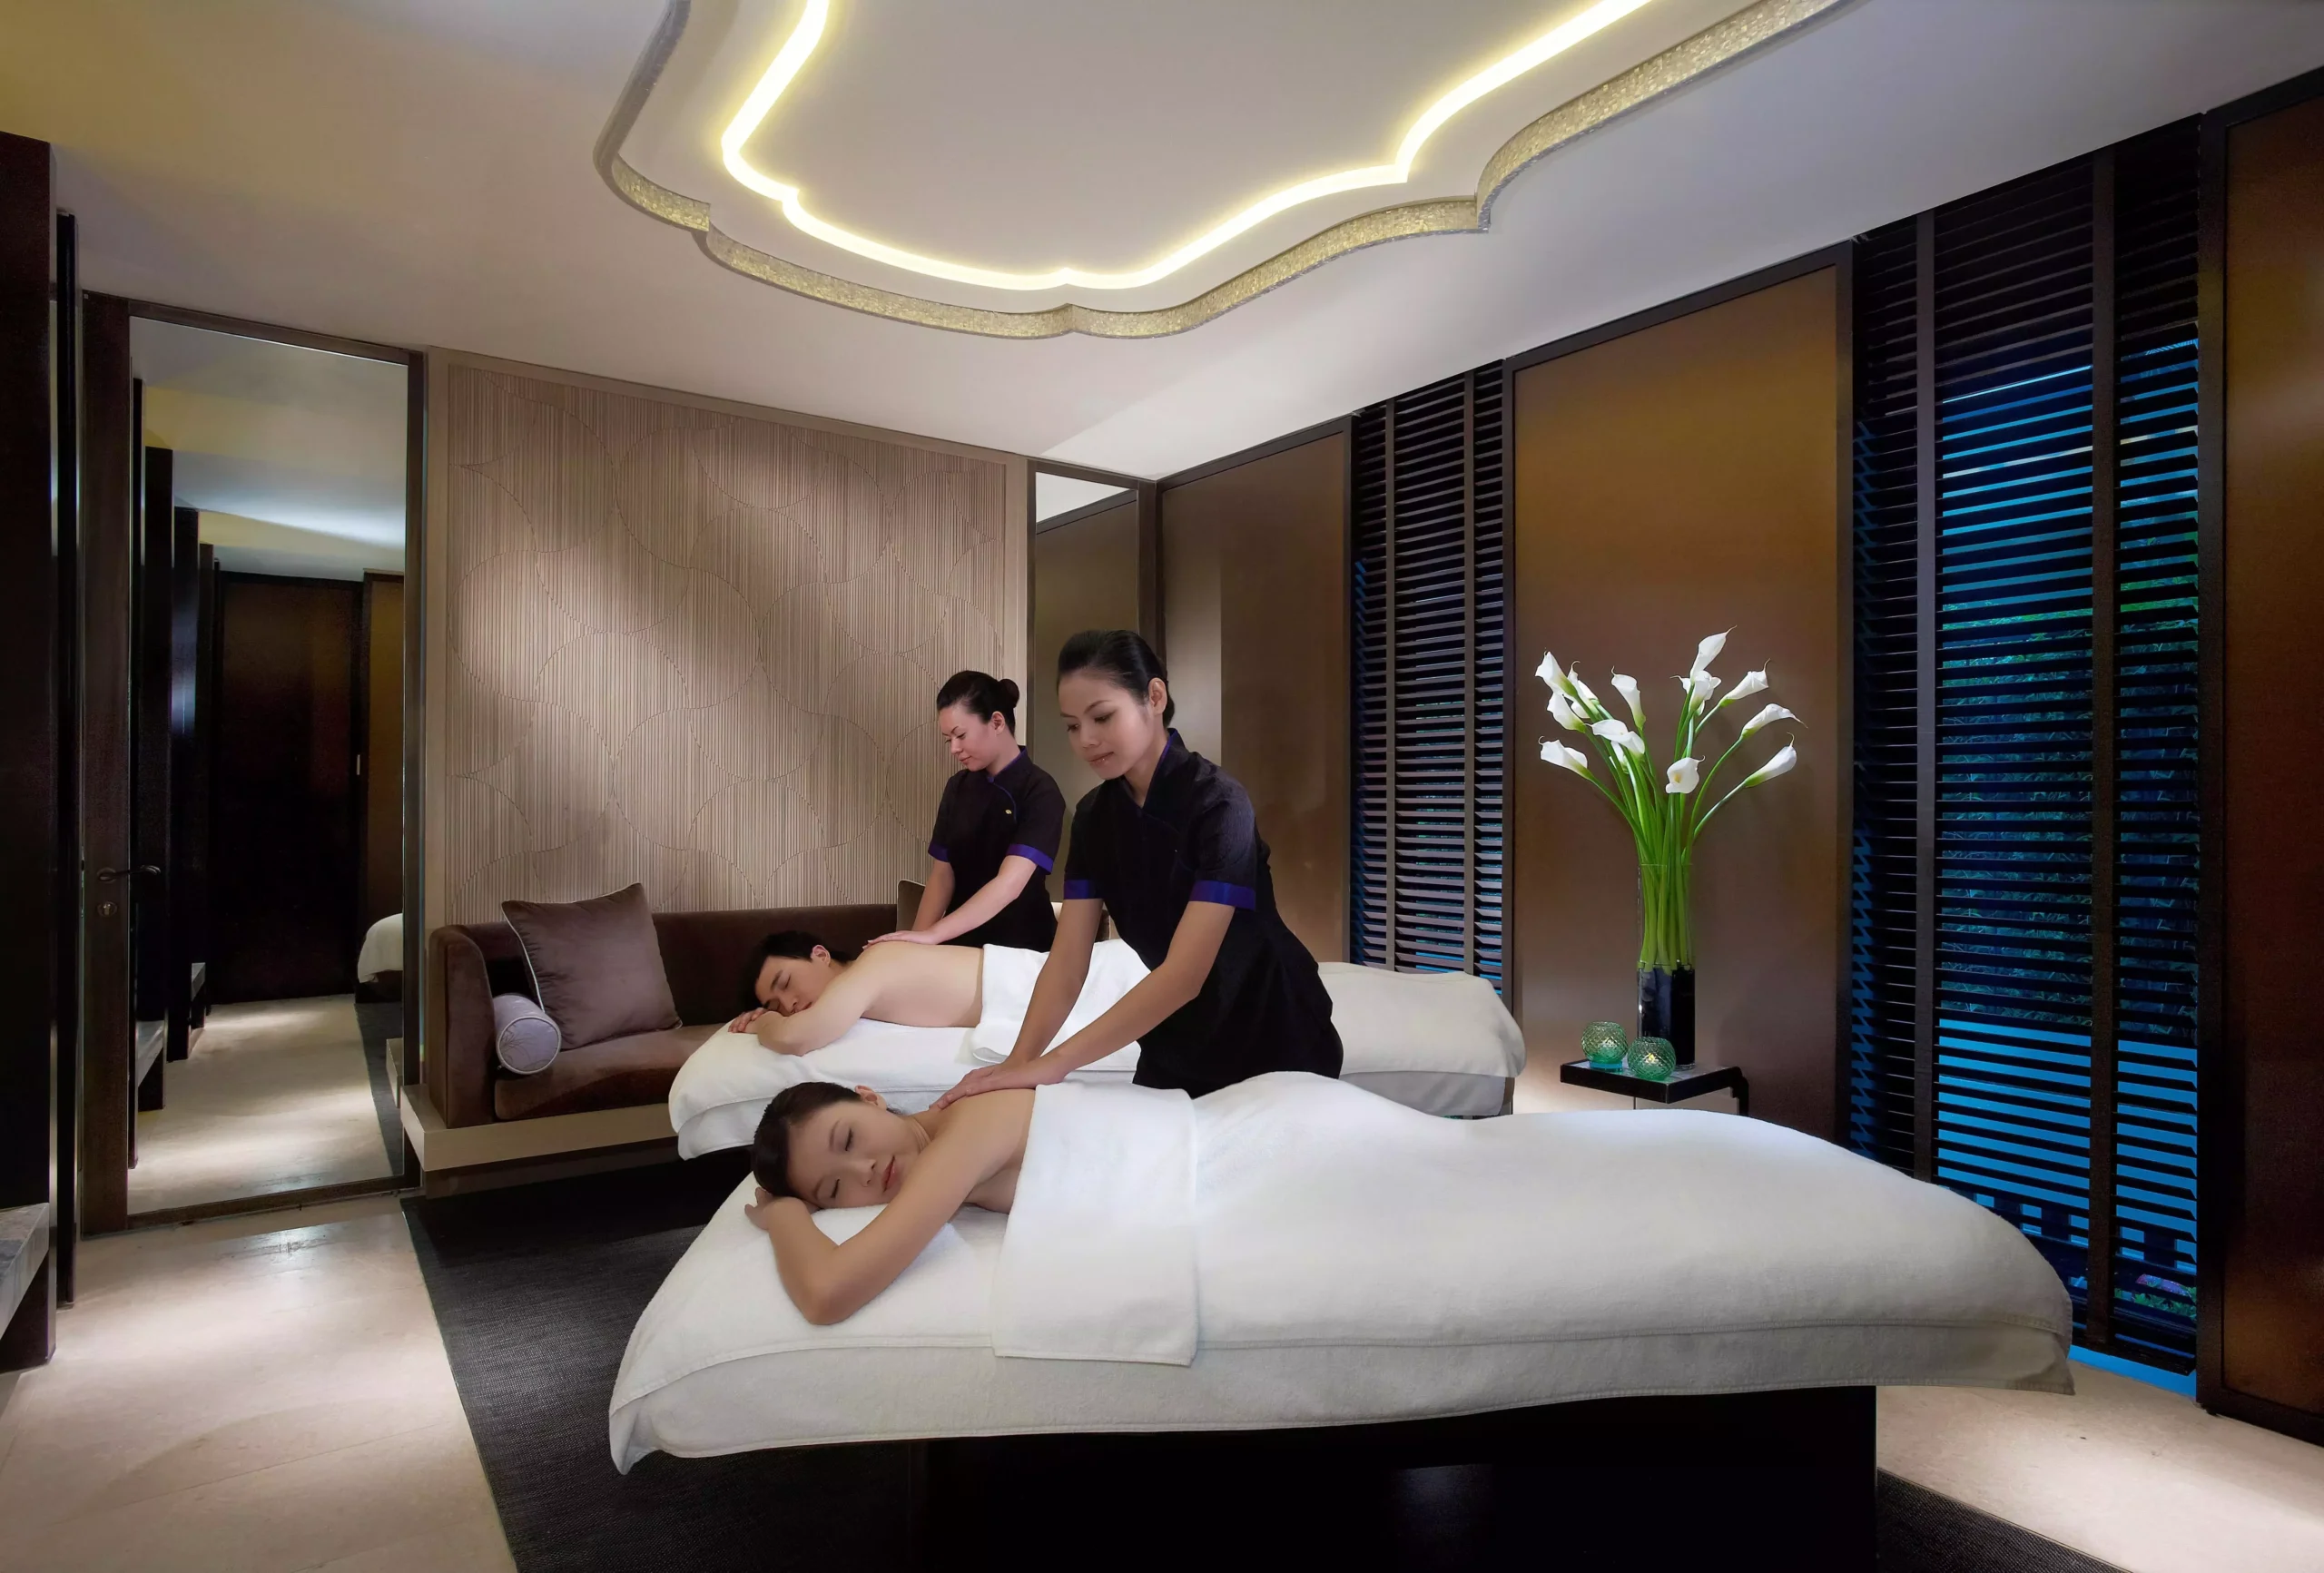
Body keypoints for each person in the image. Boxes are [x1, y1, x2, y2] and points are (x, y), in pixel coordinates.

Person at [935, 629, 1342, 1108]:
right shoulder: (1093, 817)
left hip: (1275, 1035)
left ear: (1154, 697)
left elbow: (1184, 975)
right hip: (1179, 1039)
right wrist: (1020, 1062)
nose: (1086, 740)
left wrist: (1055, 1063)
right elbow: (1067, 963)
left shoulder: (1219, 804)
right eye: (1072, 726)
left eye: (1102, 716)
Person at [869, 670, 1065, 953]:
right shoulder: (957, 787)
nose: (954, 749)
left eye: (960, 735)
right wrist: (913, 944)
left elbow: (1009, 884)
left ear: (997, 722)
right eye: (948, 739)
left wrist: (934, 934)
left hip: (1021, 948)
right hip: (960, 943)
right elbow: (942, 876)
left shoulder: (1040, 790)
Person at [726, 930, 984, 1055]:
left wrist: (765, 1021)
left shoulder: (872, 964)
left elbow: (793, 1038)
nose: (787, 1004)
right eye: (775, 1006)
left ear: (821, 955)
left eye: (785, 983)